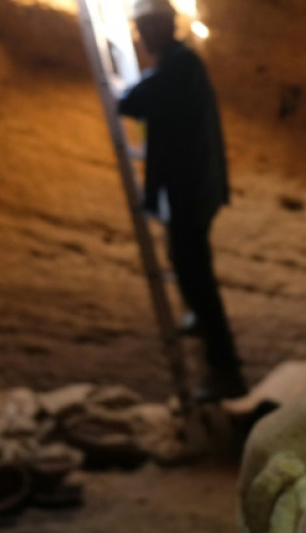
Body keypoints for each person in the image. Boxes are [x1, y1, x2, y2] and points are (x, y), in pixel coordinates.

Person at [118, 0, 246, 401]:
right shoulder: (178, 65)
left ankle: (226, 371)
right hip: (192, 187)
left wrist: (127, 91)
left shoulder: (180, 64)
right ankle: (208, 341)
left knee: (198, 277)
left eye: (142, 29)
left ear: (160, 28)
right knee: (184, 260)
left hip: (192, 187)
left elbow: (133, 102)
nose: (138, 38)